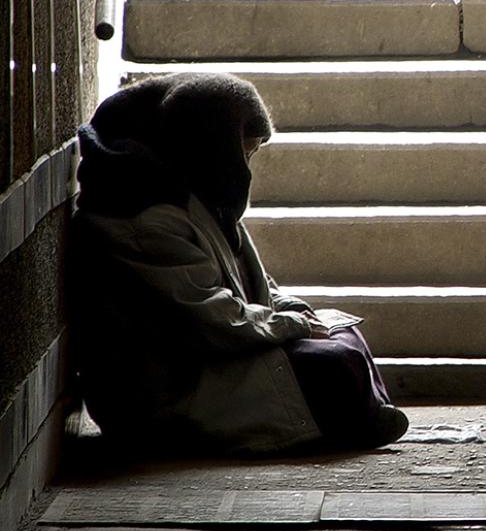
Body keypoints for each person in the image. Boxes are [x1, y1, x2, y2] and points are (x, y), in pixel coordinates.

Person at [68, 72, 408, 455]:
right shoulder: (141, 221)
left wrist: (297, 311)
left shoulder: (194, 195)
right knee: (332, 362)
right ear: (212, 146)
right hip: (173, 386)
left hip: (218, 355)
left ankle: (360, 415)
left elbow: (252, 282)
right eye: (243, 153)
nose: (245, 166)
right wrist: (293, 326)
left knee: (344, 334)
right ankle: (352, 420)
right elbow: (210, 319)